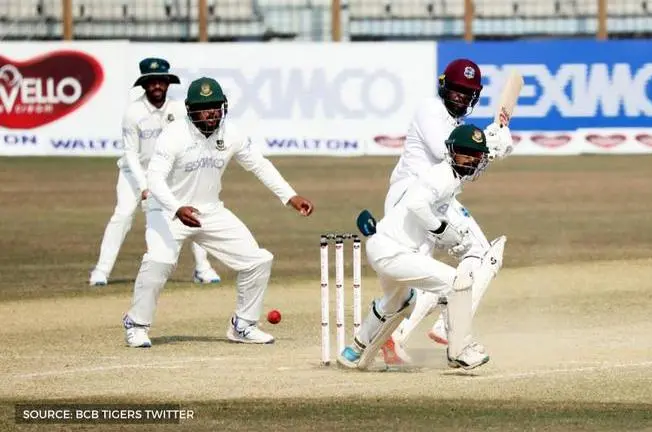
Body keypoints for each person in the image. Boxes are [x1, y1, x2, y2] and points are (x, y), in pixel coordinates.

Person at [121, 77, 314, 348]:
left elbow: (259, 165)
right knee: (159, 261)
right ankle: (136, 324)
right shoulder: (174, 135)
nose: (211, 113)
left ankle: (243, 325)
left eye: (215, 106)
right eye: (204, 108)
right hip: (165, 210)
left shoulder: (230, 132)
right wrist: (176, 208)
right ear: (190, 110)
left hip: (209, 211)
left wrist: (290, 196)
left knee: (258, 260)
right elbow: (154, 179)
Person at [380, 58, 516, 365]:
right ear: (444, 87)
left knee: (460, 262)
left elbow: (468, 169)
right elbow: (447, 151)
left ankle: (403, 335)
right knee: (478, 256)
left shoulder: (456, 126)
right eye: (456, 90)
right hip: (412, 199)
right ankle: (447, 327)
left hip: (435, 201)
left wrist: (493, 146)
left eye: (468, 93)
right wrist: (488, 142)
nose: (461, 97)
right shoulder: (430, 109)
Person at [337, 124, 505, 371]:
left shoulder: (448, 181)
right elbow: (417, 205)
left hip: (385, 249)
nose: (471, 159)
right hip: (393, 253)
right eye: (465, 153)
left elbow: (429, 215)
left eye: (476, 155)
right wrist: (439, 229)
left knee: (397, 301)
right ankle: (460, 351)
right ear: (451, 152)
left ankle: (353, 351)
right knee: (457, 284)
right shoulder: (443, 175)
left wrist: (452, 237)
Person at [89, 58, 221, 287]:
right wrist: (144, 186)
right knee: (122, 215)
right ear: (144, 84)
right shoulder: (133, 112)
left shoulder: (178, 110)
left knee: (192, 212)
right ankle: (101, 271)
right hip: (134, 174)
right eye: (151, 82)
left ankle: (203, 268)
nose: (157, 86)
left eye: (161, 81)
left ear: (168, 83)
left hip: (170, 174)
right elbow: (130, 153)